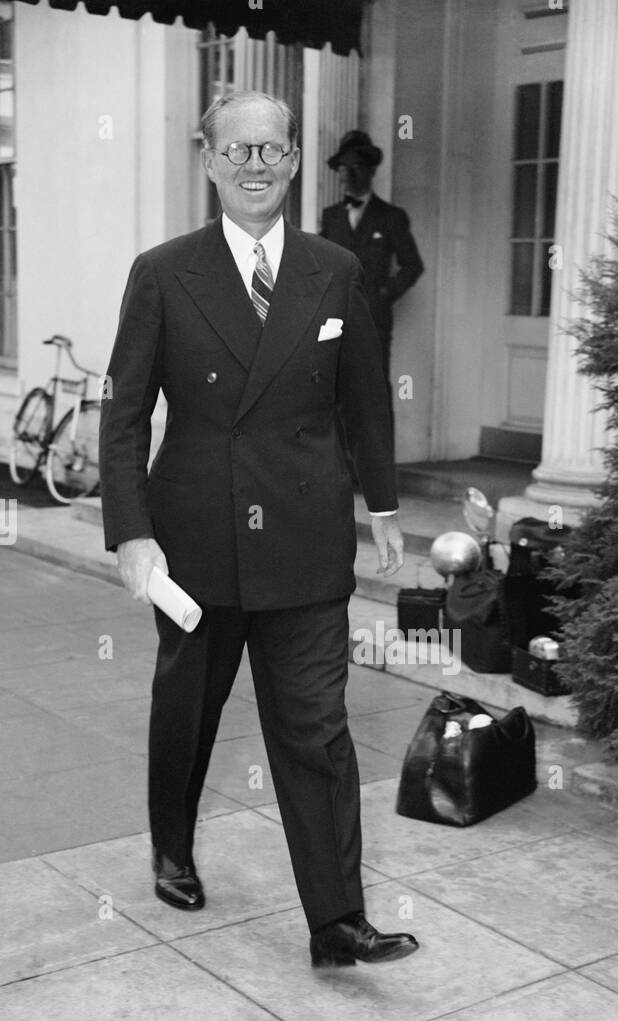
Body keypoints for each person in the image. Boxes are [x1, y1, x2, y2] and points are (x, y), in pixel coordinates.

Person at [98, 91, 419, 970]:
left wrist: (382, 505)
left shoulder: (334, 269)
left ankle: (337, 921)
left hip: (306, 540)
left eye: (270, 151)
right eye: (235, 150)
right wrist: (130, 530)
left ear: (291, 161)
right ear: (207, 160)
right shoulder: (164, 272)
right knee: (189, 710)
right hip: (196, 540)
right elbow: (124, 412)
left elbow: (363, 398)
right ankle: (172, 842)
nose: (253, 165)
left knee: (316, 728)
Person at [319, 130, 423, 393]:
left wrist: (384, 293)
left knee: (373, 390)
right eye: (344, 167)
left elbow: (412, 265)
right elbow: (319, 264)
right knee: (335, 391)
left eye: (357, 166)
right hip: (335, 319)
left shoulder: (390, 217)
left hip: (373, 319)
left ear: (371, 171)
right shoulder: (331, 217)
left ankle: (378, 437)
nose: (350, 174)